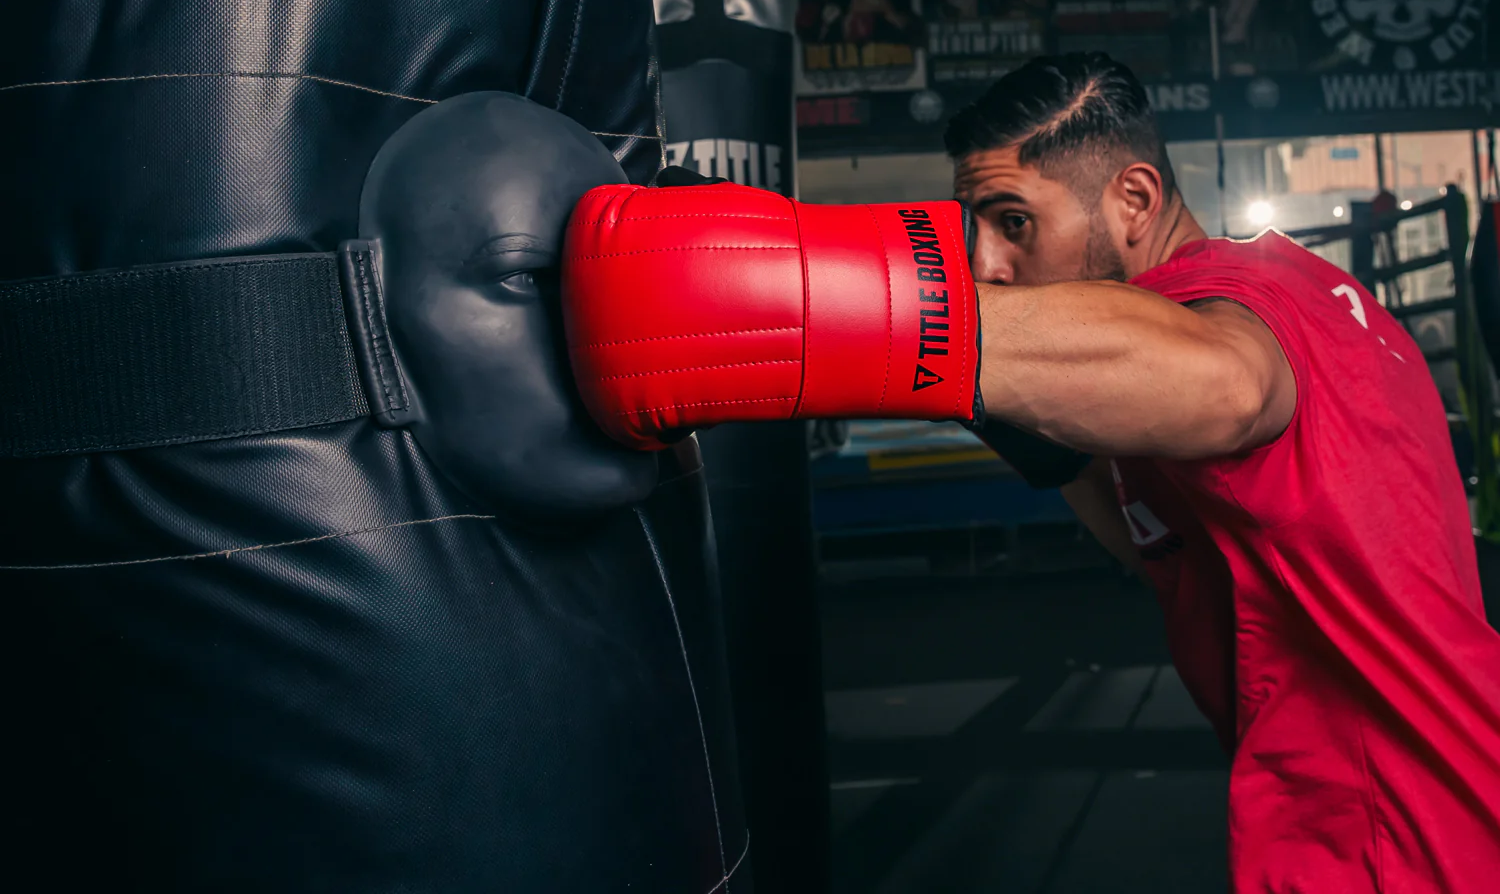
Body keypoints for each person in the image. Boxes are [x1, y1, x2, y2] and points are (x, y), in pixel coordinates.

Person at [560, 52, 1500, 893]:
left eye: (1016, 223)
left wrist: (844, 306)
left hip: (1393, 844)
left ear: (1134, 201)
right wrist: (987, 401)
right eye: (977, 228)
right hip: (1420, 804)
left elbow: (1228, 384)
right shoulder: (1296, 288)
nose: (990, 264)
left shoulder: (1232, 313)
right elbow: (1161, 549)